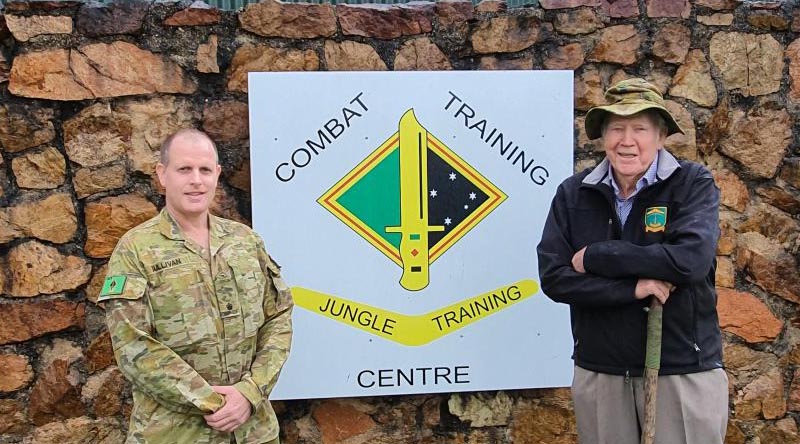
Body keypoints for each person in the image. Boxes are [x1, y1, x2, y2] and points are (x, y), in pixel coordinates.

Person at [537, 78, 727, 444]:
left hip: (681, 369)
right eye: (616, 128)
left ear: (660, 136)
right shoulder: (573, 193)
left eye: (640, 128)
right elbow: (555, 277)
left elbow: (690, 261)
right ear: (603, 135)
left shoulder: (692, 184)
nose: (627, 141)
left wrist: (597, 255)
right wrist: (634, 288)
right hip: (601, 370)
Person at [98, 129, 293, 444]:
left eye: (205, 170)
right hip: (176, 434)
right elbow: (133, 345)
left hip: (254, 431)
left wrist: (250, 392)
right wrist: (215, 403)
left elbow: (278, 316)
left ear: (217, 175)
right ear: (162, 174)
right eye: (184, 169)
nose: (196, 180)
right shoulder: (136, 249)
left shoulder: (245, 241)